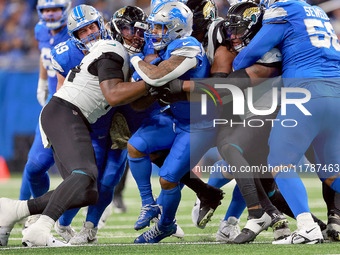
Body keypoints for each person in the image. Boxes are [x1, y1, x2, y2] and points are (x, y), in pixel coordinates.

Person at [0, 3, 151, 247]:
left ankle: (13, 210)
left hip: (79, 118)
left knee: (87, 191)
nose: (134, 37)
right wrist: (152, 83)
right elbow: (113, 94)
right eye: (83, 30)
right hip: (65, 112)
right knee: (76, 174)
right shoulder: (110, 48)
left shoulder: (115, 48)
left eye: (92, 26)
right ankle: (40, 228)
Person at [233, 0, 340, 244]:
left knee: (280, 161)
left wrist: (238, 65)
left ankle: (306, 227)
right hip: (336, 93)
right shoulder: (318, 11)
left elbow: (249, 54)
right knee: (331, 173)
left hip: (306, 93)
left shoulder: (285, 9)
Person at [128, 1, 218, 243]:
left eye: (160, 27)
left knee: (168, 179)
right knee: (135, 145)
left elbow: (156, 77)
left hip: (200, 125)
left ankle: (165, 225)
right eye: (154, 27)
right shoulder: (170, 46)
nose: (153, 32)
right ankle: (148, 203)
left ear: (176, 29)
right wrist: (147, 59)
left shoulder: (187, 45)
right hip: (175, 118)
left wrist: (136, 60)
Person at [50, 4, 130, 244]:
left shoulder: (119, 43)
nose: (89, 34)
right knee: (86, 183)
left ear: (101, 24)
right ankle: (61, 223)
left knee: (109, 180)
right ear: (74, 37)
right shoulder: (67, 54)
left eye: (91, 27)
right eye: (81, 32)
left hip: (117, 122)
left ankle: (89, 230)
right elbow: (64, 91)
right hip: (90, 126)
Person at [17, 0, 71, 231]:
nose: (50, 14)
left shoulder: (75, 31)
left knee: (81, 174)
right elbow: (44, 54)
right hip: (53, 104)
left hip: (76, 105)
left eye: (55, 9)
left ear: (65, 8)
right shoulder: (41, 29)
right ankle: (36, 211)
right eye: (46, 10)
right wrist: (42, 81)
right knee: (34, 166)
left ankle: (83, 223)